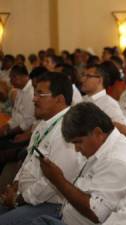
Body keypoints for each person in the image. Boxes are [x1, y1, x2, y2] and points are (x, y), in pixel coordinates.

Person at [0, 73, 82, 224]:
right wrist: (15, 186)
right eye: (35, 93)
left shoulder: (68, 130)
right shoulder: (43, 124)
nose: (34, 98)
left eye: (40, 94)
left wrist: (19, 198)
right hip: (26, 197)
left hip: (50, 204)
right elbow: (29, 160)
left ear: (60, 99)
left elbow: (52, 183)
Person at [81, 64, 126, 136]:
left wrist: (98, 122)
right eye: (83, 75)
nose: (82, 79)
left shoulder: (108, 103)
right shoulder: (83, 99)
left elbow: (124, 130)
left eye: (88, 76)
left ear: (100, 80)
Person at [0, 65, 35, 140]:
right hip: (14, 127)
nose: (11, 81)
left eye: (14, 77)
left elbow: (28, 122)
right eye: (11, 77)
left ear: (24, 76)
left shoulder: (31, 93)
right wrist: (7, 125)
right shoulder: (19, 89)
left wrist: (8, 133)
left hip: (22, 132)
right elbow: (16, 113)